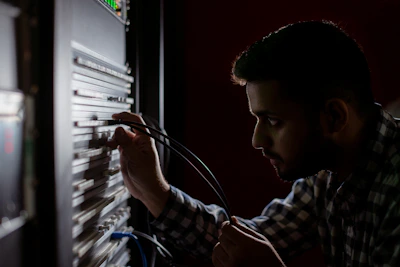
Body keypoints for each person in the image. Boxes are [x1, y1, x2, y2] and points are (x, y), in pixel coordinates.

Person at [107, 20, 400, 266]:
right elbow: (249, 238)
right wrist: (154, 191)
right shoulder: (328, 172)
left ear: (334, 117)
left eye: (273, 120)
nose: (257, 140)